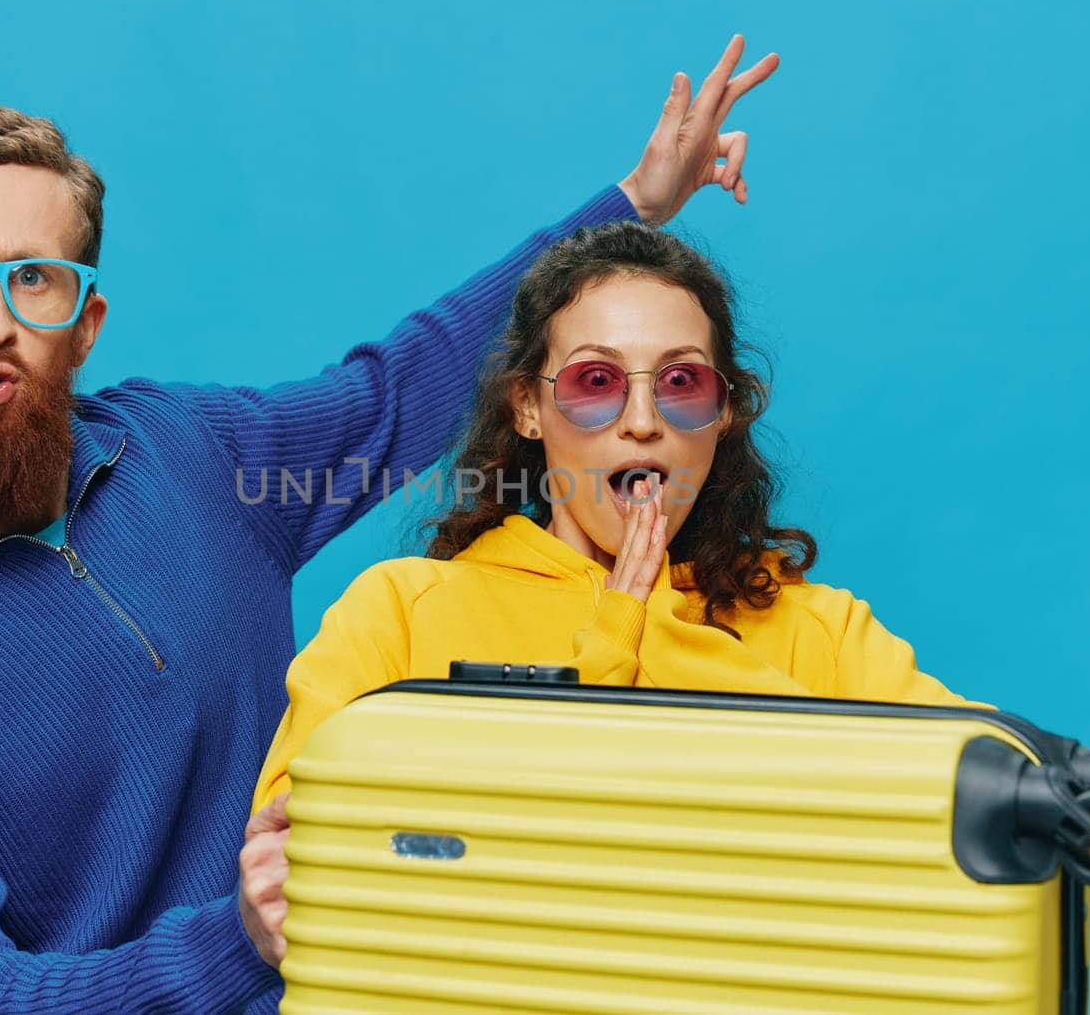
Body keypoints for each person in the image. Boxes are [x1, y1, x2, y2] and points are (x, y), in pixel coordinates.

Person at [0, 36, 779, 1013]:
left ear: (85, 324)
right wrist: (234, 942)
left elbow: (394, 392)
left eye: (34, 278)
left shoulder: (189, 454)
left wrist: (636, 203)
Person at [253, 222, 970, 828]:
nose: (641, 421)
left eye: (681, 383)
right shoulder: (400, 613)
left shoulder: (823, 631)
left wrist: (653, 617)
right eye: (595, 382)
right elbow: (299, 850)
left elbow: (993, 792)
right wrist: (613, 638)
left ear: (723, 414)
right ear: (527, 409)